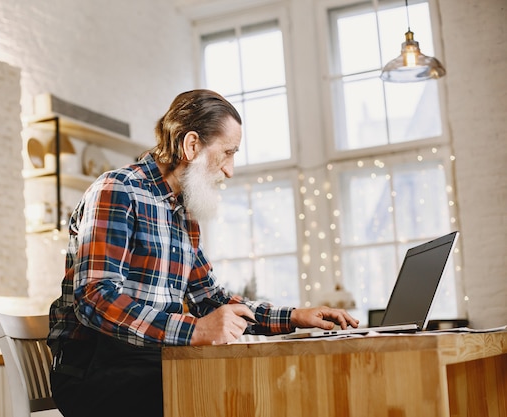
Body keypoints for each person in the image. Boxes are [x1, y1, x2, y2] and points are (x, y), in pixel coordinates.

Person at [47, 89, 359, 417]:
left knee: (253, 390)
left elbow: (209, 299)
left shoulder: (183, 212)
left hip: (152, 363)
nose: (230, 170)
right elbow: (95, 298)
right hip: (93, 373)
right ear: (191, 145)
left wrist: (294, 316)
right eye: (227, 153)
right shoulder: (117, 191)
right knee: (222, 398)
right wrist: (195, 330)